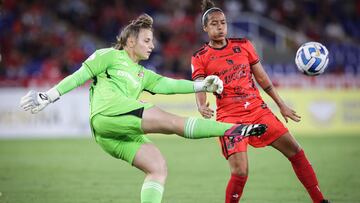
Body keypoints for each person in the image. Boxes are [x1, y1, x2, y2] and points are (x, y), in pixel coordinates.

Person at [20, 14, 267, 203]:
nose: (151, 46)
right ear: (130, 41)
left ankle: (234, 129)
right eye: (147, 40)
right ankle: (235, 129)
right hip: (108, 112)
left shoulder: (143, 74)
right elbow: (78, 76)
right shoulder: (108, 56)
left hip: (111, 135)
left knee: (158, 167)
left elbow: (168, 84)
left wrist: (201, 85)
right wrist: (48, 96)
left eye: (152, 42)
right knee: (170, 122)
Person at [191, 1, 330, 203]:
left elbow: (263, 79)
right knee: (241, 171)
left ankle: (320, 200)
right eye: (214, 24)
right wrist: (201, 105)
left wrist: (281, 104)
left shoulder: (244, 45)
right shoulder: (200, 57)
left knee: (296, 152)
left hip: (258, 111)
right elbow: (199, 84)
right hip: (230, 118)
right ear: (205, 27)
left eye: (223, 22)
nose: (220, 27)